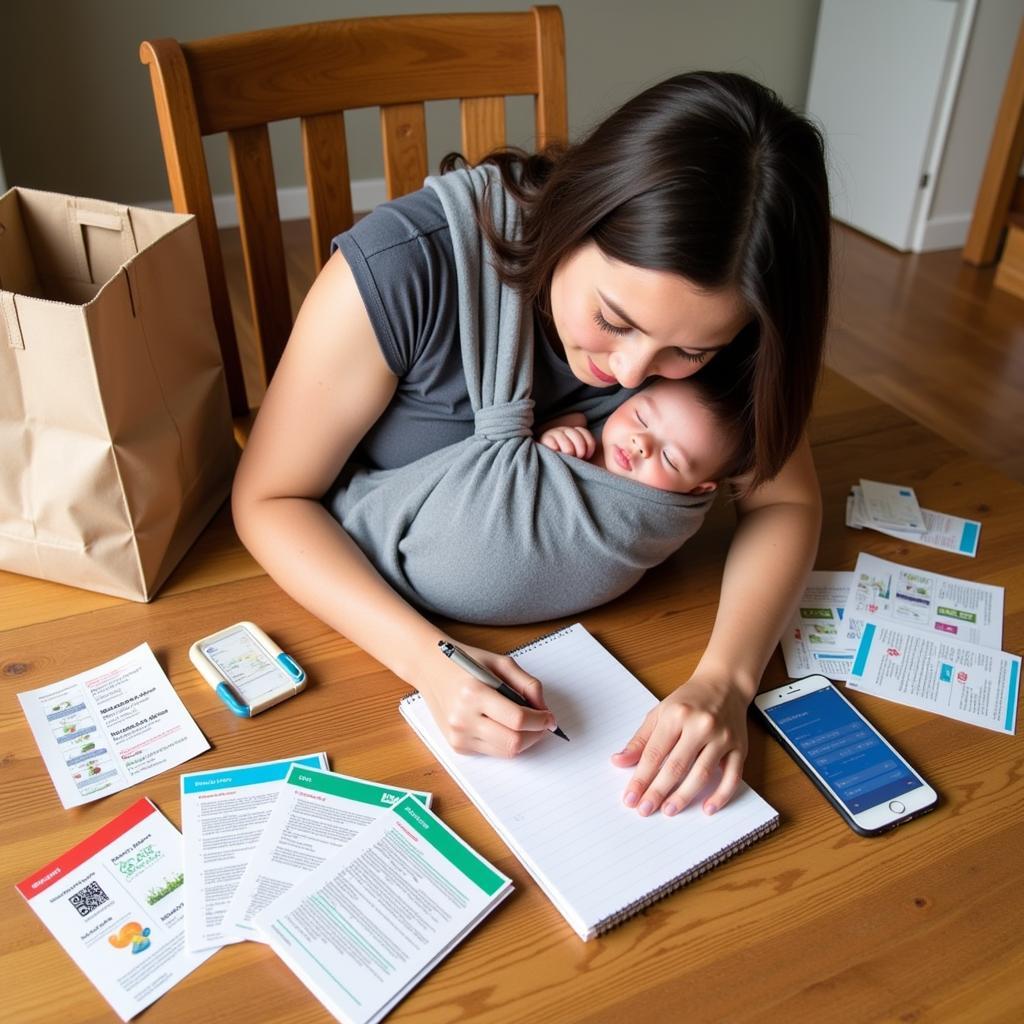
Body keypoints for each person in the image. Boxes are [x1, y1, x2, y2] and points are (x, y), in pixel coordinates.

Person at [232, 71, 830, 820]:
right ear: (576, 215)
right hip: (372, 650)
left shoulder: (739, 316)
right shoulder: (402, 269)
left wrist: (725, 682)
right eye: (614, 319)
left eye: (688, 355)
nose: (630, 372)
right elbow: (268, 499)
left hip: (631, 650)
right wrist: (430, 663)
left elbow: (785, 499)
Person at [537, 376, 746, 496]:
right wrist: (549, 439)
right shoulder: (579, 428)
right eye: (641, 418)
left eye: (669, 458)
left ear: (697, 489)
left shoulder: (650, 519)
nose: (641, 443)